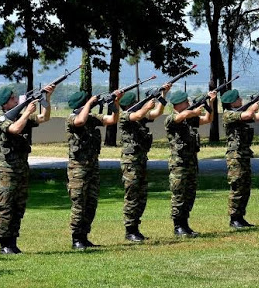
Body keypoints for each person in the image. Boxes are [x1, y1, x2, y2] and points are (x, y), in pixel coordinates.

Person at [0, 85, 55, 254]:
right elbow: (14, 129)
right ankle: (4, 244)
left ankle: (12, 243)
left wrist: (46, 100)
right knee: (6, 207)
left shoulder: (20, 116)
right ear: (5, 103)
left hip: (21, 170)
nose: (16, 100)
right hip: (7, 171)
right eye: (12, 98)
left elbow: (44, 118)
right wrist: (26, 112)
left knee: (19, 207)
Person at [66, 90, 123, 250]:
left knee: (91, 204)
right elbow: (79, 121)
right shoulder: (72, 118)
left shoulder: (91, 118)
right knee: (79, 204)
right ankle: (76, 238)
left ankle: (84, 236)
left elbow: (112, 119)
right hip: (78, 170)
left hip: (92, 168)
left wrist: (115, 104)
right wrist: (90, 103)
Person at [118, 84, 171, 242]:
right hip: (130, 162)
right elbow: (138, 115)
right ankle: (130, 230)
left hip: (140, 161)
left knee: (142, 195)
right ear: (129, 105)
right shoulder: (125, 116)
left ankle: (136, 227)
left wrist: (162, 96)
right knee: (132, 195)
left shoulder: (140, 117)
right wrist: (147, 104)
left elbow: (156, 113)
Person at [164, 90, 216, 237]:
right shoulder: (171, 118)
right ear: (179, 104)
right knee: (179, 194)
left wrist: (210, 103)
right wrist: (193, 110)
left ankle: (185, 224)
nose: (188, 104)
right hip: (178, 164)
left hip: (191, 162)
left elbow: (207, 119)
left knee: (189, 194)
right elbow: (184, 115)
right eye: (186, 102)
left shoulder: (188, 118)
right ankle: (178, 226)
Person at [220, 88, 259, 228]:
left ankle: (240, 216)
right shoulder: (228, 114)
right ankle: (234, 217)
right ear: (231, 102)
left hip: (244, 154)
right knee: (237, 186)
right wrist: (253, 105)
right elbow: (248, 114)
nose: (241, 99)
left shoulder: (240, 112)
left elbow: (258, 117)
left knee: (245, 186)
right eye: (238, 98)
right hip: (235, 156)